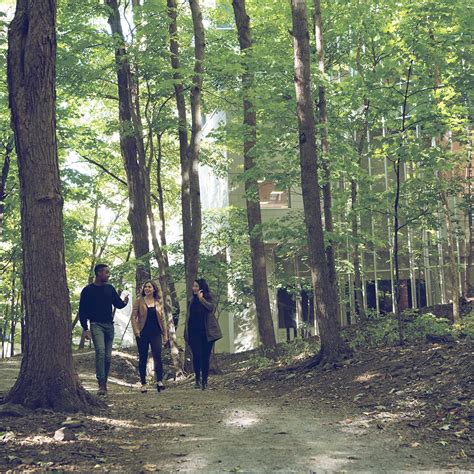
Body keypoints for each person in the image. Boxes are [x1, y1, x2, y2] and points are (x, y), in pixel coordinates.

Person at [79, 264, 129, 396]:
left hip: (109, 326)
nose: (108, 275)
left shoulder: (109, 288)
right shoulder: (87, 290)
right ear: (98, 273)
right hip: (96, 325)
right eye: (106, 272)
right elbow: (82, 311)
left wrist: (125, 302)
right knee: (100, 353)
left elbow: (117, 304)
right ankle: (101, 384)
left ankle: (104, 383)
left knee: (107, 357)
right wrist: (85, 328)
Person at [131, 280, 168, 393]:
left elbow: (162, 319)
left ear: (154, 289)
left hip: (156, 332)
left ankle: (159, 381)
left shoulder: (158, 301)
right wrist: (136, 331)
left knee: (157, 356)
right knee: (143, 357)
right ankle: (143, 384)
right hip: (142, 333)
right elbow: (133, 317)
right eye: (145, 287)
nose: (147, 289)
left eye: (149, 287)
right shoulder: (139, 301)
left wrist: (165, 334)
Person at [184, 278, 222, 390]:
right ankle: (197, 379)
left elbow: (211, 309)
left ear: (201, 287)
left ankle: (205, 381)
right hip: (194, 332)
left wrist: (201, 299)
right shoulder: (191, 300)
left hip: (207, 332)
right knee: (197, 356)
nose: (194, 288)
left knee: (205, 357)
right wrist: (186, 333)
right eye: (193, 286)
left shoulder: (209, 297)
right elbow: (189, 317)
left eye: (196, 286)